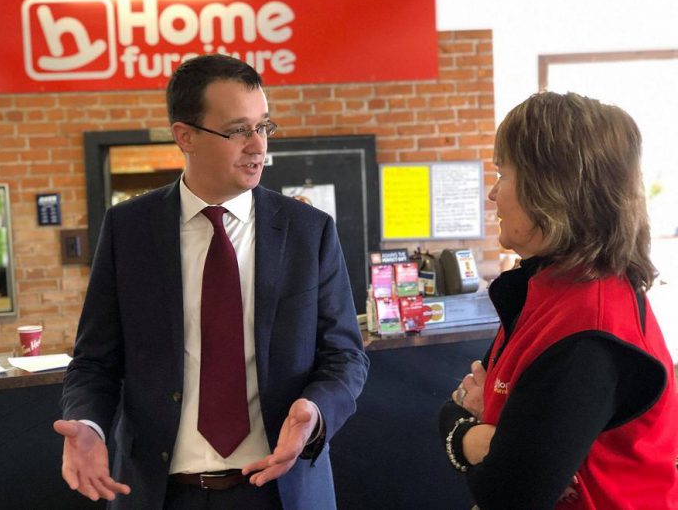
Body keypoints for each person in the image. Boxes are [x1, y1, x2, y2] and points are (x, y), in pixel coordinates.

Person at [54, 54, 369, 510]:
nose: (258, 146)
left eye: (264, 127)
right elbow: (94, 361)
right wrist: (87, 422)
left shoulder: (308, 231)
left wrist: (315, 410)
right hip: (163, 492)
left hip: (281, 489)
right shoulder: (129, 230)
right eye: (239, 130)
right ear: (186, 137)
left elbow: (345, 355)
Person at [440, 91, 678, 509]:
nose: (493, 195)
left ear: (551, 189)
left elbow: (508, 491)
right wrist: (479, 432)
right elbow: (468, 409)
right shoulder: (551, 289)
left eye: (504, 174)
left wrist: (463, 433)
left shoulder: (591, 328)